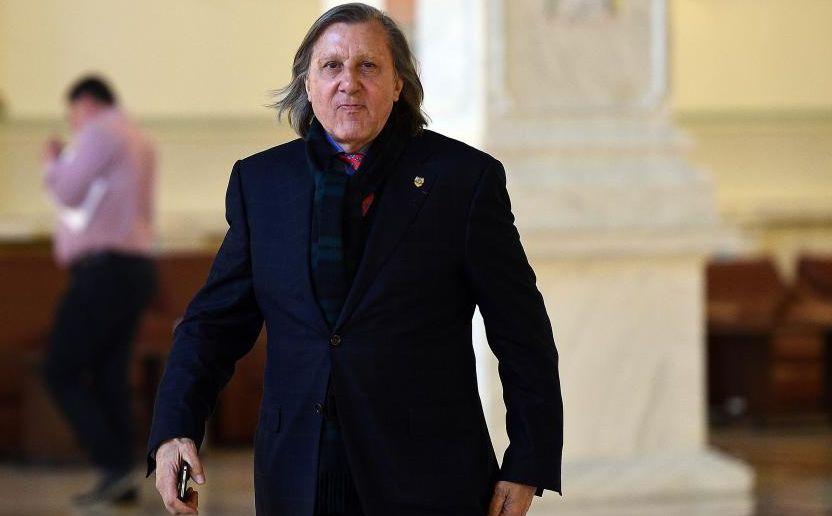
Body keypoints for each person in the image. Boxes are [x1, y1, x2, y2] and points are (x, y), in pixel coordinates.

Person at [147, 3, 563, 515]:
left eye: (368, 66)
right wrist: (175, 429)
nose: (349, 82)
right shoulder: (262, 184)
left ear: (398, 84)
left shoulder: (463, 181)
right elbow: (212, 326)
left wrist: (527, 461)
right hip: (298, 473)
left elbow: (522, 333)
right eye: (331, 66)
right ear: (307, 84)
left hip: (429, 475)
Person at [40, 75, 158, 507]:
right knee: (111, 374)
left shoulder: (100, 131)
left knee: (60, 369)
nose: (72, 122)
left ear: (86, 102)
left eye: (72, 113)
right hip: (134, 269)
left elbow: (68, 191)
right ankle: (120, 476)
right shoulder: (138, 137)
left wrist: (52, 162)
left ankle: (113, 463)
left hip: (104, 271)